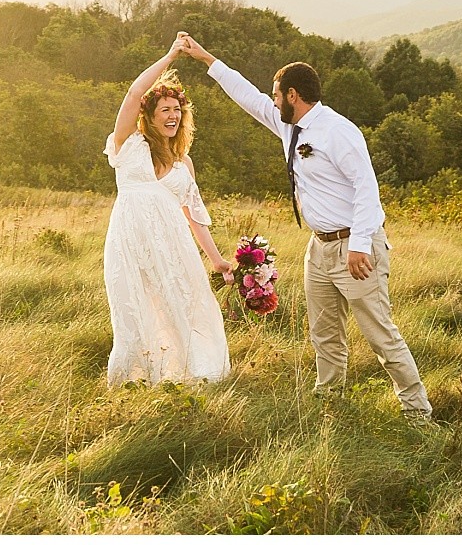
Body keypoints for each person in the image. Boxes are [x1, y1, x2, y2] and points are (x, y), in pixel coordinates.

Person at [178, 32, 433, 420]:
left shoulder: (338, 131)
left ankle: (418, 413)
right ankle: (329, 406)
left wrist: (361, 244)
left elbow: (368, 189)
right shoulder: (288, 126)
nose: (273, 100)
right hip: (319, 249)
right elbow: (248, 97)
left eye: (277, 94)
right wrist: (205, 58)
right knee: (325, 335)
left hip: (355, 247)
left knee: (381, 336)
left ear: (293, 95)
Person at [102, 37, 234, 385]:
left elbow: (195, 216)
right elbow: (134, 93)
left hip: (174, 247)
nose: (173, 115)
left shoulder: (183, 163)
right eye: (165, 109)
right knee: (135, 306)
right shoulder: (127, 144)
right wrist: (171, 56)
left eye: (177, 110)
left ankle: (188, 374)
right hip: (131, 242)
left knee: (183, 305)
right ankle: (138, 376)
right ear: (149, 115)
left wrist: (217, 260)